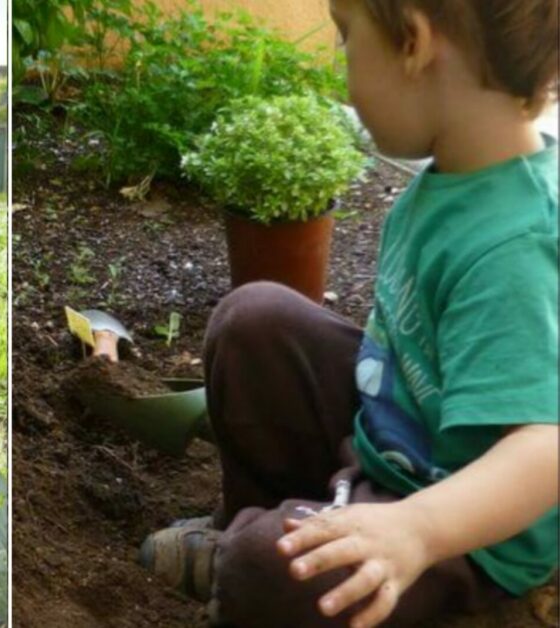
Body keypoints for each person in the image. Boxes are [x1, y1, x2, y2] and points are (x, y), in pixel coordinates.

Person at [139, 1, 559, 626]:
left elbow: (544, 449)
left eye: (345, 37)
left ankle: (249, 561)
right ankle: (257, 525)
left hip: (463, 535)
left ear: (413, 44)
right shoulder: (454, 179)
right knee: (255, 319)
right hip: (394, 441)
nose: (340, 62)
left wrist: (416, 529)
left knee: (266, 567)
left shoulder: (517, 245)